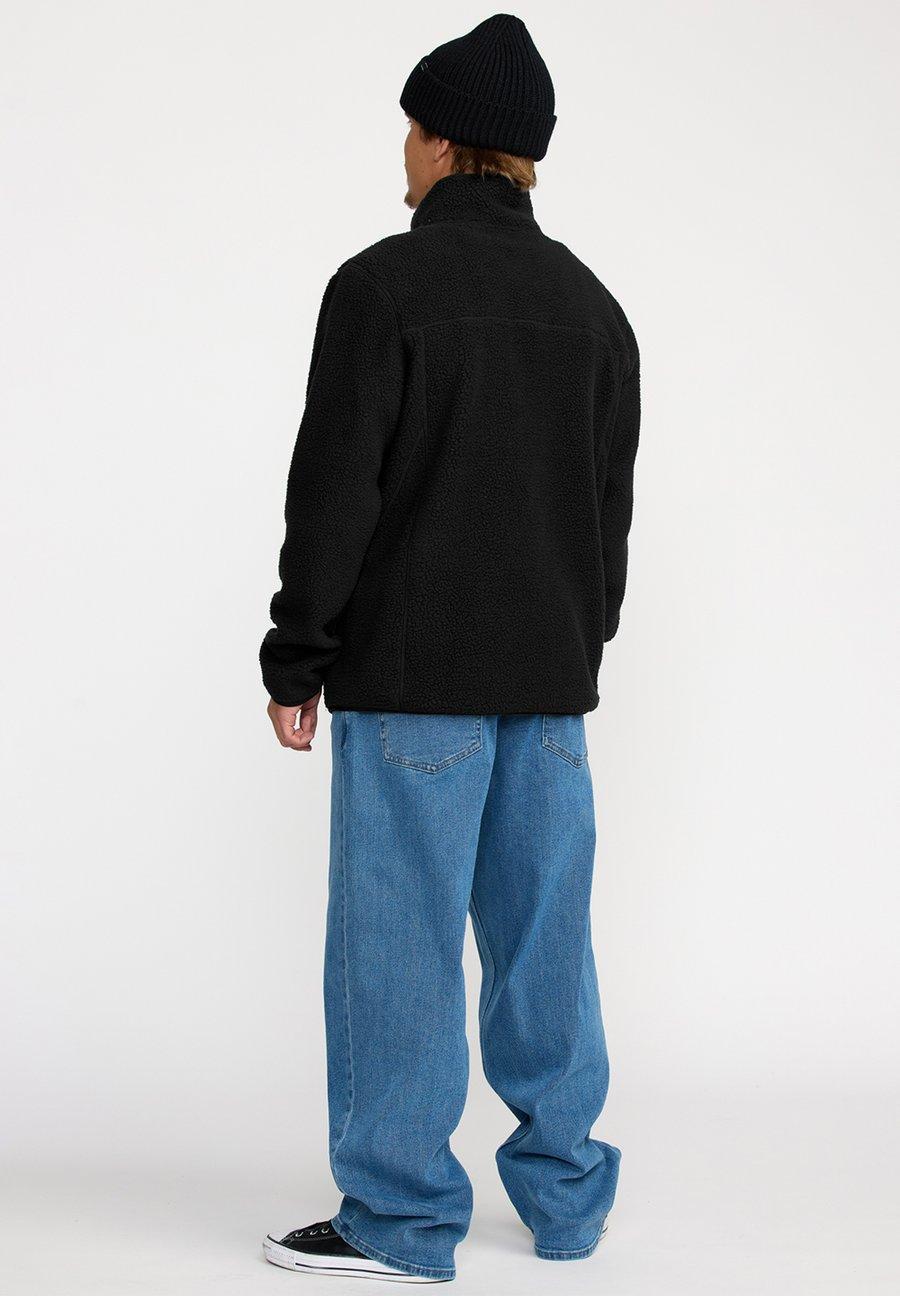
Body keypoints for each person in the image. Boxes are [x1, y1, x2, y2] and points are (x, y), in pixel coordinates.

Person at [259, 13, 640, 1284]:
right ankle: (568, 1200)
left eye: (408, 131)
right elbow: (606, 516)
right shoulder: (594, 310)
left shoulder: (381, 289)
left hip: (413, 686)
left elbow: (335, 494)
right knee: (547, 945)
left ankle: (402, 1219)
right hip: (549, 689)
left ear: (434, 139)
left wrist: (298, 654)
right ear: (524, 155)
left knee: (401, 950)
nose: (403, 154)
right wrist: (577, 643)